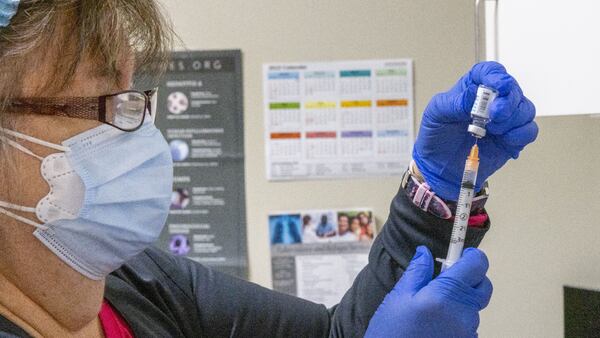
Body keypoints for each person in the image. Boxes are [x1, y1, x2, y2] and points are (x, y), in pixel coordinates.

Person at [0, 1, 537, 337]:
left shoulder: (140, 284)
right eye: (102, 100)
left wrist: (434, 189)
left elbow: (337, 335)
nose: (138, 131)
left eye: (133, 96)